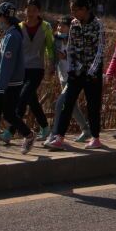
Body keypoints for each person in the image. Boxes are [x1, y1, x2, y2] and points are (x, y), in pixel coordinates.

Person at [45, 0, 106, 151]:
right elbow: (71, 47)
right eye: (71, 10)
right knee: (67, 103)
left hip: (92, 72)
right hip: (76, 71)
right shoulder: (73, 24)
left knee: (93, 106)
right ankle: (59, 137)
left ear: (84, 9)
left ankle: (95, 138)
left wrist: (92, 71)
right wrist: (72, 68)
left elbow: (100, 49)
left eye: (75, 10)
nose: (72, 13)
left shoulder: (97, 24)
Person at [0, 3, 35, 157]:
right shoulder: (11, 33)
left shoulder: (12, 36)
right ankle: (28, 134)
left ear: (3, 17)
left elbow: (7, 64)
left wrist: (0, 87)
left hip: (6, 84)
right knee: (9, 114)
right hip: (9, 83)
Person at [1, 0, 53, 143]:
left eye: (34, 10)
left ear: (39, 11)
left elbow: (50, 47)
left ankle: (10, 132)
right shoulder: (19, 27)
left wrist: (51, 65)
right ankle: (45, 127)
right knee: (32, 100)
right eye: (28, 10)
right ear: (24, 11)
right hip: (21, 69)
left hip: (37, 69)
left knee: (23, 98)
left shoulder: (46, 26)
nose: (31, 13)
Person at [45, 16, 91, 144]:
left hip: (74, 77)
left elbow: (82, 58)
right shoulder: (57, 40)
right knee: (72, 105)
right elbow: (53, 56)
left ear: (71, 28)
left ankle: (54, 134)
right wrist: (51, 68)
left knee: (60, 103)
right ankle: (86, 129)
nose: (60, 28)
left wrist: (66, 57)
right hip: (63, 76)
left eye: (63, 26)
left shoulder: (76, 40)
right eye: (59, 25)